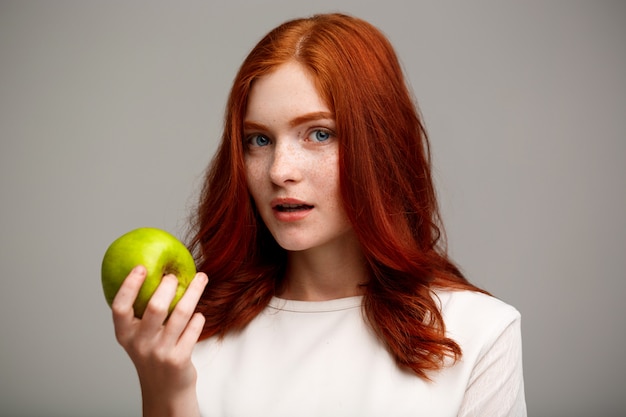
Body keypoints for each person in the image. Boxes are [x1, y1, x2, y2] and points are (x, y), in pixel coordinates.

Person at [111, 13, 526, 417]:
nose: (279, 170)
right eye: (259, 139)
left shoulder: (476, 333)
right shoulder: (188, 334)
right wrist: (165, 394)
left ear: (380, 145)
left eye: (319, 134)